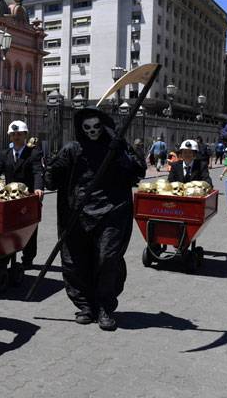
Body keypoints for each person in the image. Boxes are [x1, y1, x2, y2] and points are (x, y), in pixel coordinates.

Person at [44, 107, 146, 331]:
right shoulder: (72, 149)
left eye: (97, 127)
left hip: (111, 212)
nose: (92, 131)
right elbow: (51, 179)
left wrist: (122, 151)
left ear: (104, 126)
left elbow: (138, 171)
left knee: (107, 259)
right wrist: (52, 168)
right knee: (75, 261)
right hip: (77, 214)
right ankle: (85, 306)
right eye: (87, 127)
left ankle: (104, 307)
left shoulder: (116, 147)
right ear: (81, 128)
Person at [0, 120, 44, 268]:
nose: (16, 136)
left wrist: (38, 188)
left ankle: (28, 258)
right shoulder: (4, 154)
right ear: (9, 136)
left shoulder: (33, 153)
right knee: (7, 229)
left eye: (19, 134)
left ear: (25, 135)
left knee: (29, 229)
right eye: (13, 134)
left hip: (27, 198)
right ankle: (6, 255)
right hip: (10, 198)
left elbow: (38, 172)